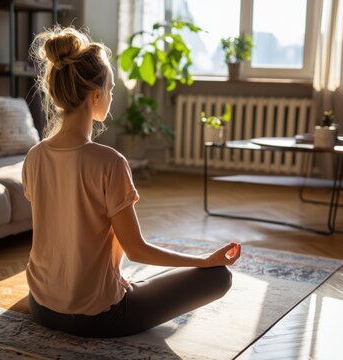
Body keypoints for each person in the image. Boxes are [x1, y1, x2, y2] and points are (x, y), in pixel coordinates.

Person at [22, 26, 242, 338]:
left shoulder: (34, 156)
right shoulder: (110, 162)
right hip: (99, 317)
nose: (111, 97)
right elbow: (137, 250)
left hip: (41, 307)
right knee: (218, 277)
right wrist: (204, 260)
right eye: (110, 89)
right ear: (96, 95)